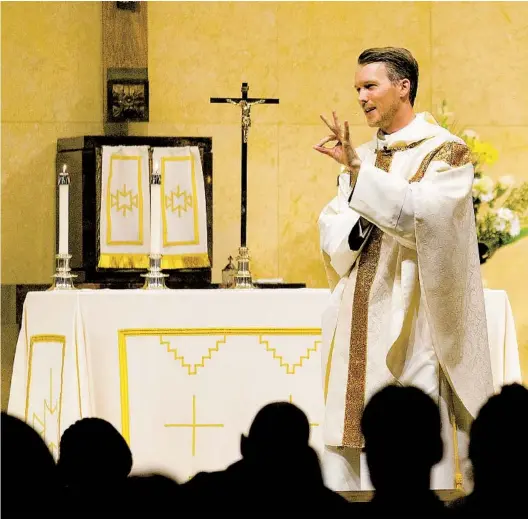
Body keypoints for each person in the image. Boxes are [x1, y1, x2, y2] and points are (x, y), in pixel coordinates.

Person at [313, 47, 494, 491]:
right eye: (357, 88)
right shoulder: (362, 154)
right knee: (347, 428)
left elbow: (424, 219)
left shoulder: (447, 153)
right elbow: (333, 224)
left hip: (413, 316)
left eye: (370, 86)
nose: (361, 97)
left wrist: (361, 176)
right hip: (358, 309)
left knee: (412, 431)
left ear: (403, 87)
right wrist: (358, 195)